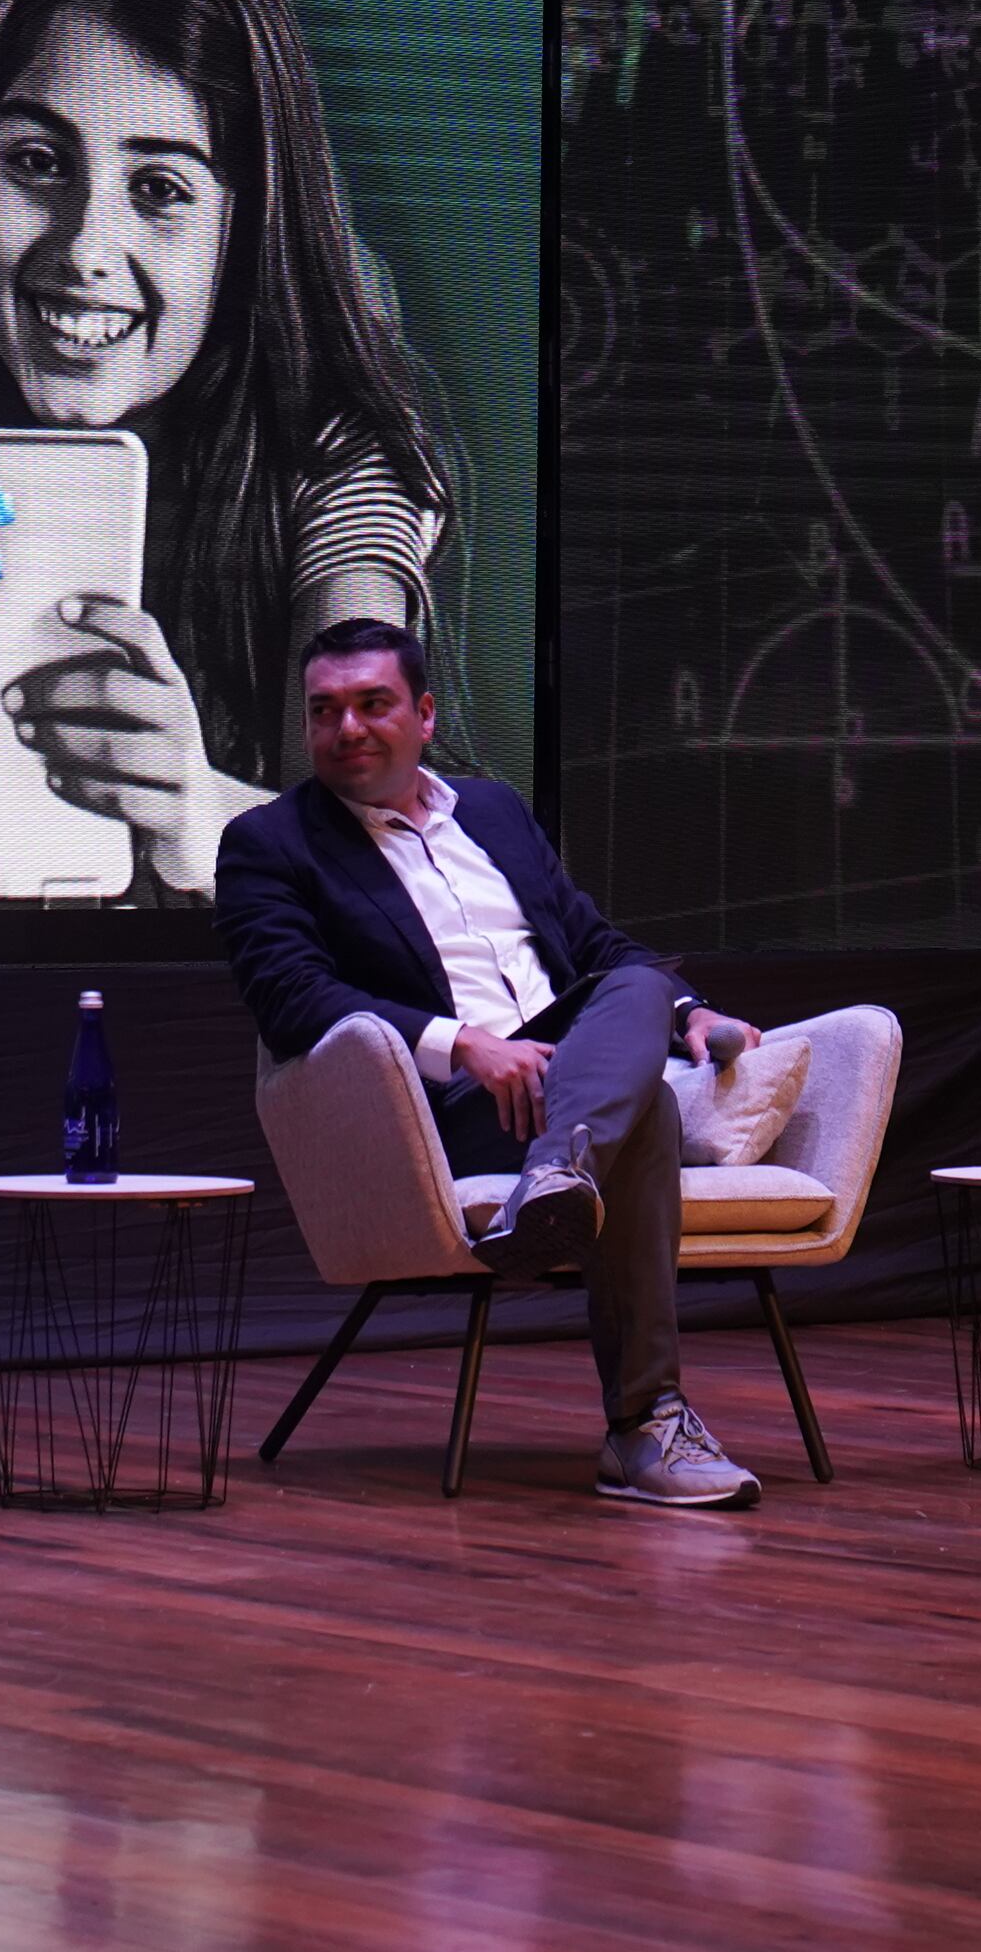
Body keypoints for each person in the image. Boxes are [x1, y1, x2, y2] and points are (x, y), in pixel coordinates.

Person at [0, 0, 454, 899]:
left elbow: (384, 854)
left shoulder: (333, 461)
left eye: (159, 189)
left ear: (242, 227)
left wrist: (200, 810)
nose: (83, 249)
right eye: (38, 163)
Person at [214, 618, 767, 1509]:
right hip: (446, 1108)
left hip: (564, 1089)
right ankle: (645, 1427)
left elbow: (592, 942)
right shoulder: (270, 842)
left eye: (372, 703)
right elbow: (289, 997)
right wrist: (461, 1040)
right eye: (324, 710)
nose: (347, 727)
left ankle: (558, 1174)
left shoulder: (495, 811)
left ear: (426, 713)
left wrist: (691, 1011)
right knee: (652, 1109)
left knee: (638, 984)